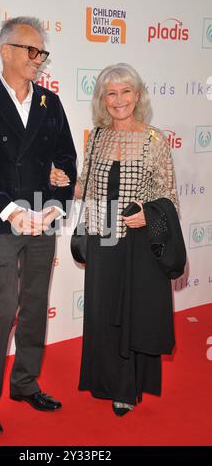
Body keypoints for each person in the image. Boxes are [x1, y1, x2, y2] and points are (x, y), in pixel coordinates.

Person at [0, 16, 77, 436]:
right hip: (2, 220)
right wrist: (10, 210)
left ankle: (25, 383)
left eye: (41, 51)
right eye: (31, 50)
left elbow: (67, 159)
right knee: (2, 308)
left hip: (43, 218)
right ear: (5, 50)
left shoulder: (51, 102)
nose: (38, 58)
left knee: (34, 307)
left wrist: (56, 207)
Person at [50, 63, 184, 417]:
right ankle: (104, 380)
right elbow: (87, 186)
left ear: (137, 95)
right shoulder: (96, 136)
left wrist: (149, 213)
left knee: (130, 316)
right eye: (111, 93)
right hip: (100, 238)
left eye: (126, 92)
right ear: (102, 99)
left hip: (136, 243)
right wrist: (63, 181)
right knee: (102, 312)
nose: (119, 100)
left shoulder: (154, 139)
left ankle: (126, 388)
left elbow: (168, 194)